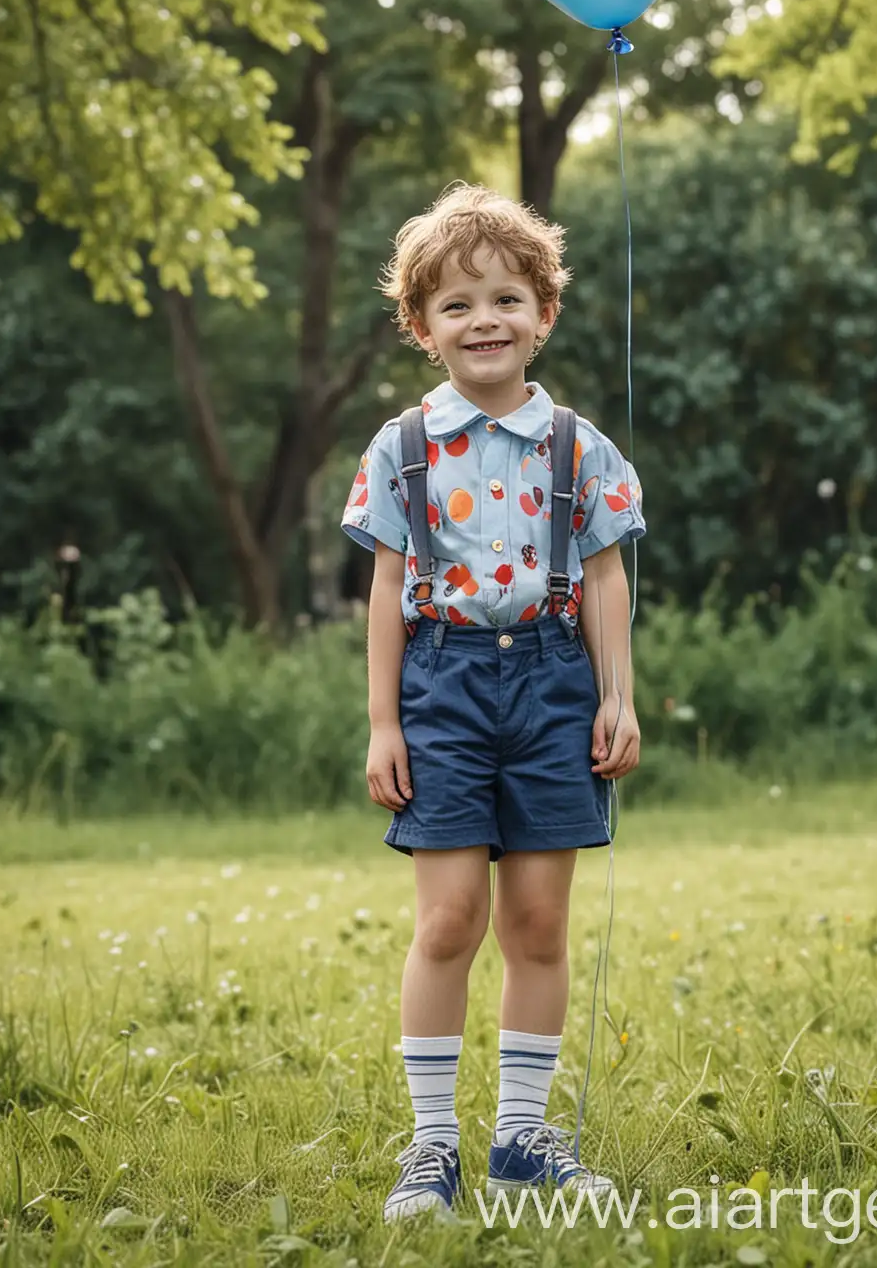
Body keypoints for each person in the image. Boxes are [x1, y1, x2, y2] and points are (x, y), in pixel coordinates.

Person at [340, 182, 645, 1221]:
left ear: (544, 315)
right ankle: (432, 1146)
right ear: (423, 327)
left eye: (507, 299)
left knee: (539, 922)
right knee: (449, 921)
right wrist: (385, 721)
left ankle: (522, 1134)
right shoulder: (402, 447)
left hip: (556, 681)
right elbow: (386, 589)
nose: (485, 321)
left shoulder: (578, 448)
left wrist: (618, 698)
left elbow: (606, 580)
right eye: (459, 306)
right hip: (443, 682)